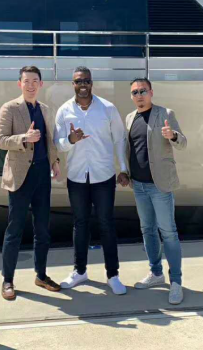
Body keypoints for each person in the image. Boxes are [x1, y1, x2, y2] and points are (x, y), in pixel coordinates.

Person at [54, 66, 129, 295]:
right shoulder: (64, 111)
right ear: (73, 84)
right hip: (77, 176)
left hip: (103, 175)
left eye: (86, 80)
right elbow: (58, 145)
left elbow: (119, 139)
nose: (83, 85)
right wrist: (71, 139)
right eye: (78, 81)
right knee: (80, 224)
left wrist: (123, 168)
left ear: (92, 83)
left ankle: (113, 275)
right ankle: (80, 271)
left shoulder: (108, 108)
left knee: (106, 224)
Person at [0, 66, 62, 300]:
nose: (31, 85)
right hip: (20, 176)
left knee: (43, 229)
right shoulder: (9, 108)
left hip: (42, 175)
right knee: (14, 230)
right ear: (20, 84)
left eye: (35, 81)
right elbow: (0, 140)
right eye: (26, 81)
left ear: (41, 84)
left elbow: (50, 140)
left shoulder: (45, 109)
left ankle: (41, 275)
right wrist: (24, 138)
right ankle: (7, 280)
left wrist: (54, 161)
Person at [125, 78, 187, 305]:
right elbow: (130, 149)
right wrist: (125, 172)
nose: (139, 95)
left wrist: (173, 136)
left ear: (151, 92)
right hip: (138, 185)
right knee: (147, 230)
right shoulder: (130, 118)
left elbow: (183, 143)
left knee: (168, 232)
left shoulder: (165, 114)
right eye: (135, 92)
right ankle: (156, 273)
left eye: (143, 91)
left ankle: (176, 282)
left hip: (159, 185)